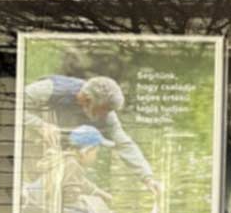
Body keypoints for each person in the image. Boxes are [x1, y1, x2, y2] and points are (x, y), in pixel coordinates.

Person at [23, 74, 160, 196]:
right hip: (31, 149)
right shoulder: (50, 89)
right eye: (104, 110)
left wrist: (147, 178)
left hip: (62, 157)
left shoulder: (107, 115)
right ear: (87, 100)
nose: (105, 115)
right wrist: (39, 125)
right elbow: (11, 105)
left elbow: (123, 144)